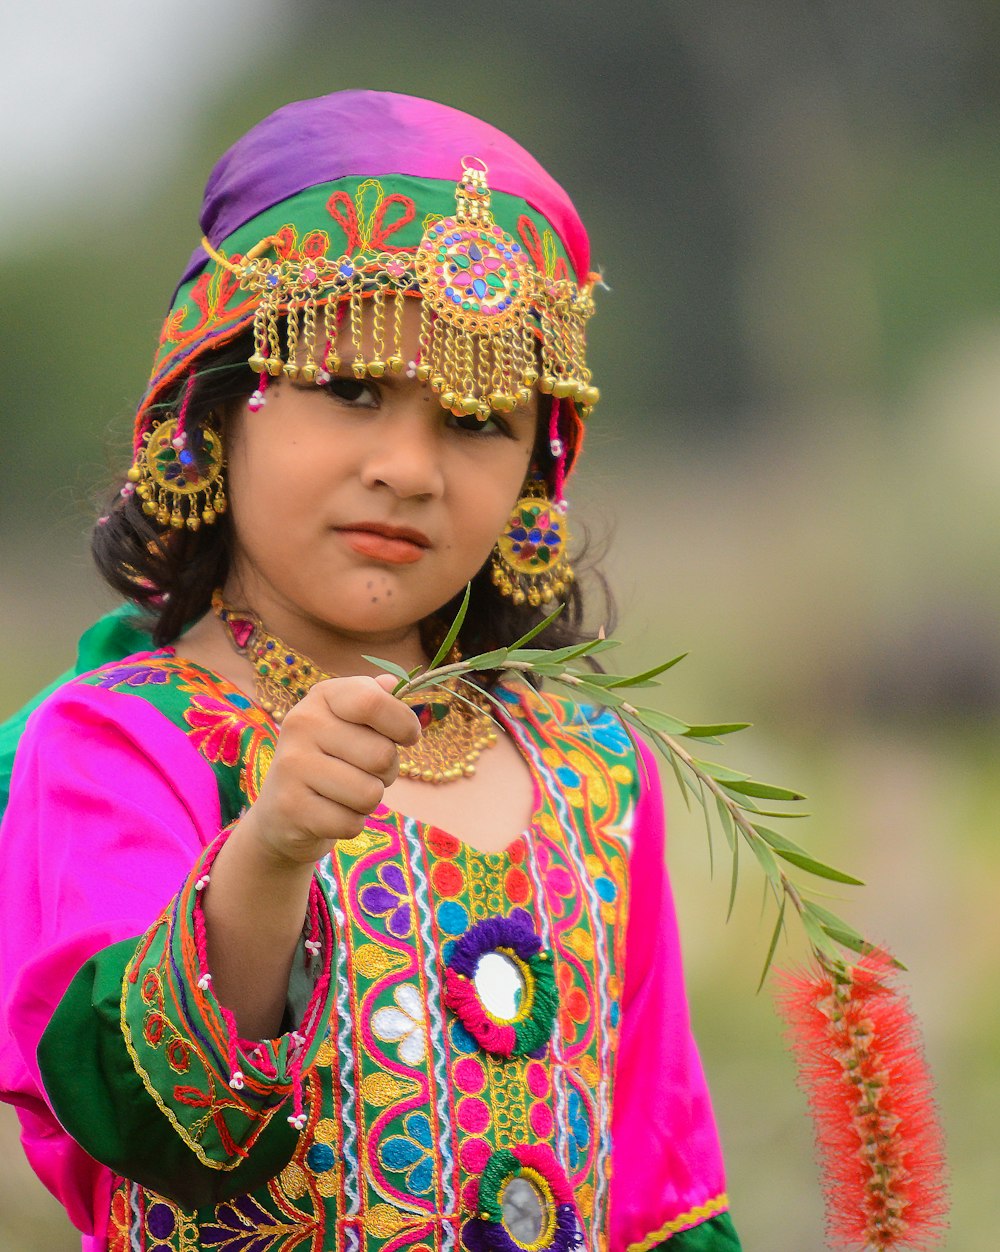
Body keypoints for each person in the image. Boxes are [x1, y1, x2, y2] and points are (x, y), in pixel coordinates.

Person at [0, 90, 741, 1252]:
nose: (408, 467)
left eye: (477, 419)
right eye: (351, 391)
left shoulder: (598, 772)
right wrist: (274, 845)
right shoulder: (116, 745)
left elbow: (664, 1198)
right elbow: (137, 1119)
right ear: (214, 411)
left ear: (536, 476)